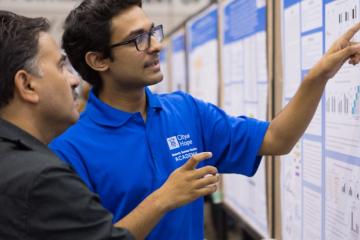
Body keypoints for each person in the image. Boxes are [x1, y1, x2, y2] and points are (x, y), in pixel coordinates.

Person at [49, 0, 360, 239]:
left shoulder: (184, 111)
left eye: (152, 32)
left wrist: (318, 77)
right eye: (138, 39)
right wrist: (161, 201)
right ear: (99, 60)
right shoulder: (68, 152)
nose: (157, 45)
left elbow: (277, 139)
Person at [0, 10, 220, 240]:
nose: (74, 80)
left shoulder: (185, 108)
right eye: (60, 66)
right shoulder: (46, 173)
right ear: (27, 85)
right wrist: (162, 199)